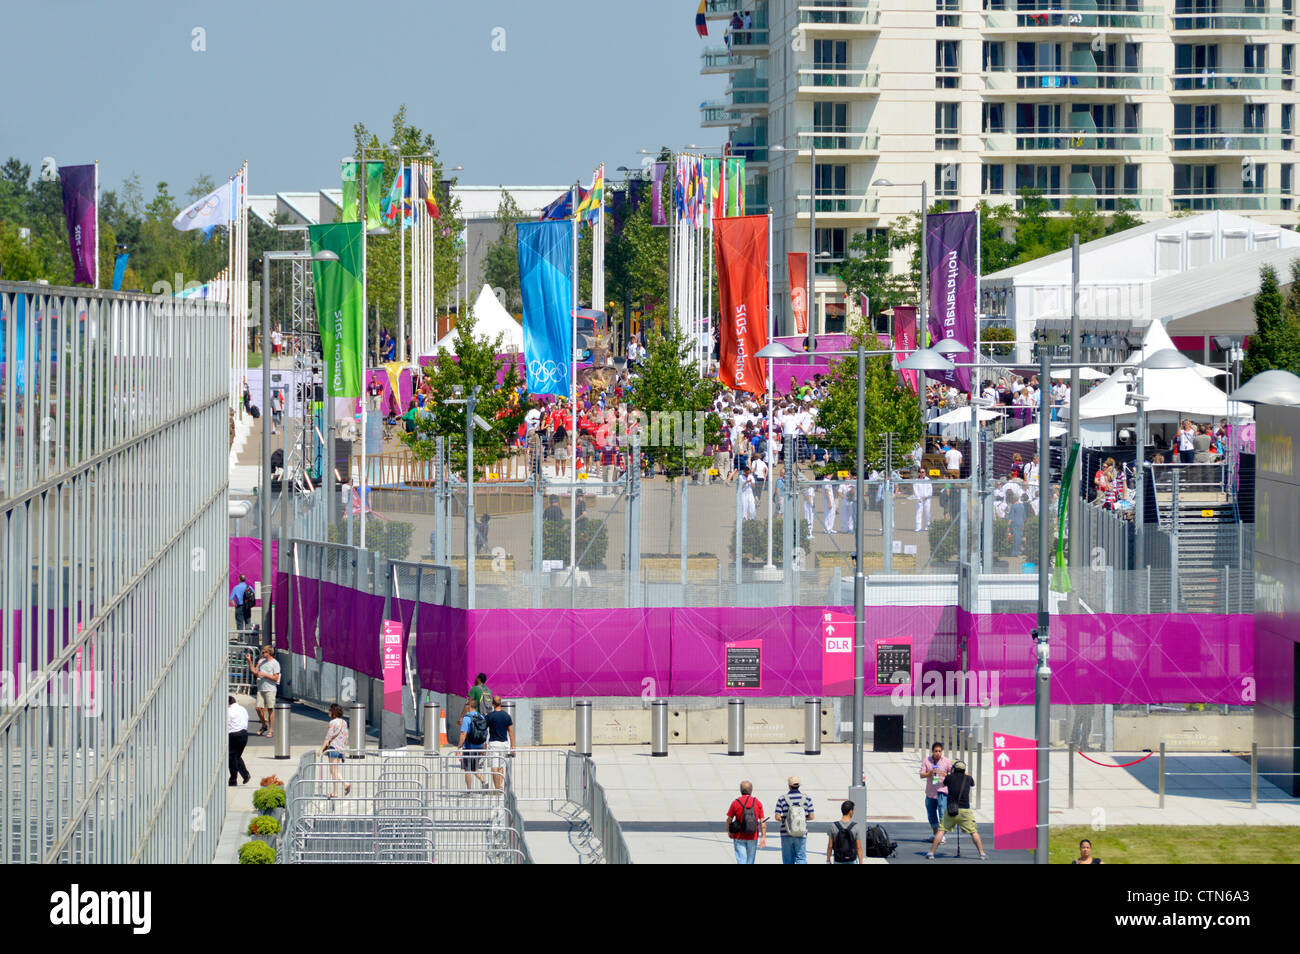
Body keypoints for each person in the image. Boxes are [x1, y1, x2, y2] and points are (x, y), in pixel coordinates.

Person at [927, 760, 986, 860]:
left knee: (941, 831)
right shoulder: (968, 778)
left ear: (954, 769)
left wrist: (943, 775)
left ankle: (931, 853)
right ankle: (982, 853)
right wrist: (966, 774)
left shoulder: (949, 777)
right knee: (973, 832)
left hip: (951, 810)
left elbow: (941, 784)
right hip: (965, 811)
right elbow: (973, 783)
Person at [774, 775, 815, 864]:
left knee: (788, 860)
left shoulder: (782, 798)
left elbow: (777, 817)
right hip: (801, 832)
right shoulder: (807, 798)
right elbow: (811, 816)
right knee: (801, 858)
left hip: (786, 832)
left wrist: (787, 820)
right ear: (799, 785)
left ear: (789, 786)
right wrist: (803, 819)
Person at [726, 780, 767, 864]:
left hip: (739, 836)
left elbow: (729, 819)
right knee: (750, 861)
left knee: (741, 860)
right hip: (753, 835)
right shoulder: (757, 802)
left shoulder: (736, 802)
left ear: (741, 790)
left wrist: (729, 831)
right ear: (751, 790)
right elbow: (762, 821)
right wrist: (763, 836)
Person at [921, 742, 952, 845]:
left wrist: (946, 774)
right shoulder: (927, 761)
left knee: (942, 813)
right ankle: (935, 834)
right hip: (930, 792)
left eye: (939, 751)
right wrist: (929, 773)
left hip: (942, 791)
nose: (938, 753)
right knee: (931, 814)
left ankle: (941, 836)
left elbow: (952, 774)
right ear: (932, 751)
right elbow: (921, 774)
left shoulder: (946, 761)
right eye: (936, 751)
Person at [247, 645, 280, 738]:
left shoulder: (275, 663)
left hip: (270, 689)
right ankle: (264, 725)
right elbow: (255, 671)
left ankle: (271, 729)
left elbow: (276, 678)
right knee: (258, 708)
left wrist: (265, 674)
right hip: (261, 688)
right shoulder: (262, 662)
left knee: (270, 709)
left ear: (269, 653)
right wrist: (249, 661)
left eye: (264, 652)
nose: (262, 654)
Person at [319, 702, 351, 797]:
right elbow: (346, 736)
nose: (328, 712)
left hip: (333, 748)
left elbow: (328, 737)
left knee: (333, 770)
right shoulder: (344, 722)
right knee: (334, 770)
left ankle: (344, 784)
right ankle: (336, 791)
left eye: (330, 710)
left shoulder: (333, 722)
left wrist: (321, 749)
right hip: (341, 748)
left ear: (333, 712)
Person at [485, 695, 515, 791]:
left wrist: (483, 743)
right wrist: (513, 746)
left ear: (493, 704)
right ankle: (500, 786)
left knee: (494, 767)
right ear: (501, 703)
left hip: (493, 743)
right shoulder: (507, 716)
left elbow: (484, 730)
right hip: (504, 743)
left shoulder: (489, 716)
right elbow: (510, 732)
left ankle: (497, 788)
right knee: (501, 765)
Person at [458, 700, 489, 789]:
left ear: (469, 706)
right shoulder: (481, 717)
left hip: (469, 747)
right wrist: (484, 746)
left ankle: (469, 790)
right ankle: (484, 782)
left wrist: (459, 746)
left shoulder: (466, 718)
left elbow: (463, 734)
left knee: (467, 769)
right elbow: (484, 732)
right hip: (479, 746)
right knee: (474, 768)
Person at [826, 800, 864, 864]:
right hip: (851, 860)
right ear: (851, 811)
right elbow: (858, 847)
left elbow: (830, 846)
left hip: (838, 859)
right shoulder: (856, 826)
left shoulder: (833, 826)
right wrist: (861, 862)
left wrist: (828, 860)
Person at [228, 695, 251, 787]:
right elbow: (247, 719)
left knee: (231, 757)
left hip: (234, 735)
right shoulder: (242, 709)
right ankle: (244, 775)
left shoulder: (229, 711)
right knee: (236, 756)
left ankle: (234, 779)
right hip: (244, 734)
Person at [1007, 486, 1027, 557]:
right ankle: (1018, 551)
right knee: (1019, 536)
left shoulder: (1013, 506)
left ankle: (1015, 552)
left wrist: (1008, 525)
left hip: (1015, 523)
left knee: (1015, 537)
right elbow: (1024, 516)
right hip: (1021, 522)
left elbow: (1011, 517)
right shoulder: (1022, 506)